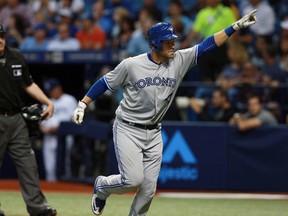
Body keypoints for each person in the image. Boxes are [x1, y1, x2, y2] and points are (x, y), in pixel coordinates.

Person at [71, 10, 257, 216]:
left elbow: (206, 46)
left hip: (154, 132)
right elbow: (105, 82)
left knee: (149, 190)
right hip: (128, 128)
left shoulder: (179, 59)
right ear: (156, 44)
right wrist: (83, 104)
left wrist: (235, 27)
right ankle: (102, 186)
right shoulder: (132, 64)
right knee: (132, 180)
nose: (173, 44)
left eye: (173, 40)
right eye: (168, 41)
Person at [0, 25, 56, 216]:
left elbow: (28, 84)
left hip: (16, 119)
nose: (0, 40)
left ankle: (38, 207)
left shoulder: (16, 56)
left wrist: (47, 101)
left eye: (1, 36)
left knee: (28, 163)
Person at [40, 78, 77, 182]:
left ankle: (67, 190)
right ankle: (53, 192)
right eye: (50, 91)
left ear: (59, 88)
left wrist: (58, 128)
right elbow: (41, 123)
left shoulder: (69, 100)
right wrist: (45, 129)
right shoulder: (47, 103)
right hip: (49, 138)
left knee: (65, 166)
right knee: (49, 169)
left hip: (65, 138)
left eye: (53, 90)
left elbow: (73, 119)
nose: (51, 93)